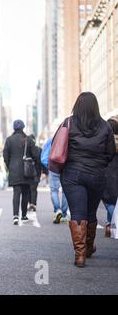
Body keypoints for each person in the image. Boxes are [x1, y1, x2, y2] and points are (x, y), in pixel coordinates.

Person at [59, 92, 115, 267]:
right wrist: (99, 164)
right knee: (90, 212)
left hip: (72, 173)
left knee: (77, 213)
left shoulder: (68, 123)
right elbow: (110, 152)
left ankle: (80, 255)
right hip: (97, 174)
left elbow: (58, 146)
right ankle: (89, 248)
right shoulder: (105, 126)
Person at [3, 120, 38, 225]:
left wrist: (10, 165)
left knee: (16, 192)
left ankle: (15, 216)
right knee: (26, 193)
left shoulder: (9, 140)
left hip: (14, 169)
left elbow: (5, 156)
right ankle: (23, 215)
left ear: (14, 128)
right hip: (26, 170)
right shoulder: (28, 139)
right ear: (23, 127)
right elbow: (36, 154)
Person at [41, 138, 69, 223]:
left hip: (54, 167)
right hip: (66, 168)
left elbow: (44, 158)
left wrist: (49, 167)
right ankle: (64, 214)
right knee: (66, 191)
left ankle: (57, 210)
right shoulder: (69, 140)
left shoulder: (51, 140)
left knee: (54, 191)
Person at [101, 116, 118, 237]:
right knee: (113, 200)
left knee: (108, 201)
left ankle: (114, 224)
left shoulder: (104, 140)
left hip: (107, 173)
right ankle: (108, 224)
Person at [28, 134, 42, 212]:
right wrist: (44, 172)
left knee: (29, 188)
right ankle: (33, 203)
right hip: (37, 172)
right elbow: (41, 161)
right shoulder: (39, 149)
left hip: (27, 172)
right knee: (34, 189)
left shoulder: (25, 150)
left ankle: (31, 203)